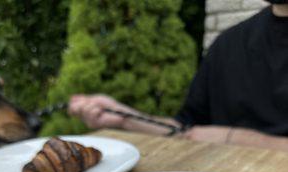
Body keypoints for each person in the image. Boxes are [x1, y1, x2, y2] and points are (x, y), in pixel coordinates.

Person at [69, 0, 288, 151]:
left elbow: (209, 136)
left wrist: (233, 138)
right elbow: (186, 129)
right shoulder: (228, 44)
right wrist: (123, 117)